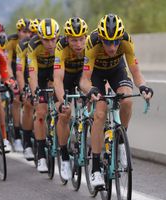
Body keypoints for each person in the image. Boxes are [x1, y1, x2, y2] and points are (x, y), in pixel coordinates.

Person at [79, 14, 153, 187]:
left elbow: (135, 72)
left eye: (115, 42)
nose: (112, 47)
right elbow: (84, 79)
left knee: (127, 100)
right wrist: (91, 90)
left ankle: (120, 141)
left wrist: (143, 87)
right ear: (101, 39)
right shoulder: (92, 42)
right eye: (107, 42)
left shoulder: (127, 40)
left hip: (116, 70)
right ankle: (96, 169)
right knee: (99, 114)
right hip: (96, 74)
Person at [53, 17, 88, 180]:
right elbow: (58, 79)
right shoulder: (61, 47)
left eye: (81, 39)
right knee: (64, 114)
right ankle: (65, 156)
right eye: (74, 40)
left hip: (82, 77)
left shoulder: (90, 45)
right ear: (67, 39)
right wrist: (62, 102)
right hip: (65, 79)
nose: (79, 44)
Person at [27, 18, 60, 172]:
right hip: (39, 74)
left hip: (55, 73)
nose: (50, 44)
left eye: (53, 39)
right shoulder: (33, 46)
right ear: (40, 38)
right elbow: (32, 74)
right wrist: (35, 93)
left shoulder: (63, 44)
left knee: (61, 105)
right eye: (46, 40)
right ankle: (40, 155)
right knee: (40, 112)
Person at [5, 18, 32, 152]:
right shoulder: (11, 41)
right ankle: (17, 137)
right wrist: (12, 79)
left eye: (30, 32)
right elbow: (8, 63)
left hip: (28, 68)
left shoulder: (32, 42)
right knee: (16, 99)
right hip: (15, 68)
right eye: (24, 31)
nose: (27, 35)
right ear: (18, 31)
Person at [15, 18, 40, 160]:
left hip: (43, 74)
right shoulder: (24, 44)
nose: (34, 36)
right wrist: (24, 87)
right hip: (27, 73)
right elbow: (19, 70)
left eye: (37, 33)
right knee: (29, 104)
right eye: (32, 33)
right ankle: (26, 143)